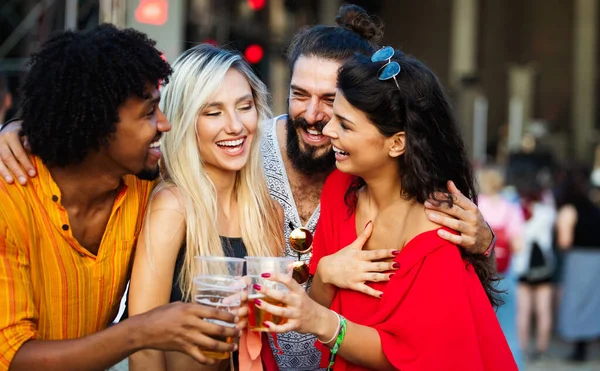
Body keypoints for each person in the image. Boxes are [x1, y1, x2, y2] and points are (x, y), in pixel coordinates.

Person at [0, 6, 497, 369]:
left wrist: (483, 238)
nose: (319, 119)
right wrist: (20, 130)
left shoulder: (326, 190)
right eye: (300, 95)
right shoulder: (177, 189)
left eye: (338, 109)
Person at [250, 48, 517, 370]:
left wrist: (324, 322)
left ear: (396, 143)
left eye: (345, 125)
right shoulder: (339, 191)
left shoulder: (439, 233)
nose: (329, 130)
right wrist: (324, 276)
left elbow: (412, 359)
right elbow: (315, 307)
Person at [0, 25, 241, 371]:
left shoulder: (143, 184)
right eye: (148, 113)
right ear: (96, 127)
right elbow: (14, 358)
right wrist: (141, 331)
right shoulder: (8, 202)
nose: (164, 124)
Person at [127, 44, 284, 371]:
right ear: (185, 121)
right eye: (213, 112)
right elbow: (143, 345)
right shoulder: (173, 207)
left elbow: (268, 339)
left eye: (244, 106)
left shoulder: (269, 213)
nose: (236, 126)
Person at [477, 165, 525, 369]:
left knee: (480, 328)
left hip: (480, 276)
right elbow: (519, 245)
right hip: (505, 273)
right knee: (508, 329)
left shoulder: (475, 205)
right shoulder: (511, 208)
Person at [555, 166, 600, 362]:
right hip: (597, 258)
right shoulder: (594, 208)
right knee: (594, 303)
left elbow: (564, 241)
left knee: (578, 303)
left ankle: (580, 349)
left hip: (579, 260)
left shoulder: (569, 209)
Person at [512, 178, 556, 362]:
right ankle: (542, 348)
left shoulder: (517, 211)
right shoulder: (547, 212)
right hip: (543, 266)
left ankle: (522, 349)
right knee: (543, 309)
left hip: (522, 266)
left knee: (523, 311)